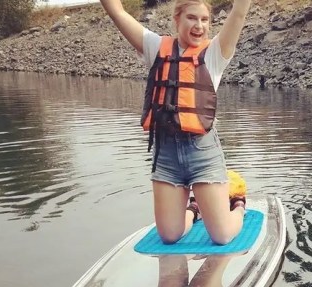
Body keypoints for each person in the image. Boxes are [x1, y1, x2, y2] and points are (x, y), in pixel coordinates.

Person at [99, 0, 251, 245]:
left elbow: (240, 12)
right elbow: (116, 11)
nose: (199, 25)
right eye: (192, 18)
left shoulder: (214, 54)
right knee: (169, 235)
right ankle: (194, 209)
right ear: (177, 19)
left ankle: (238, 204)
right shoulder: (155, 47)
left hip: (203, 152)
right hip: (166, 154)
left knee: (222, 236)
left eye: (205, 20)